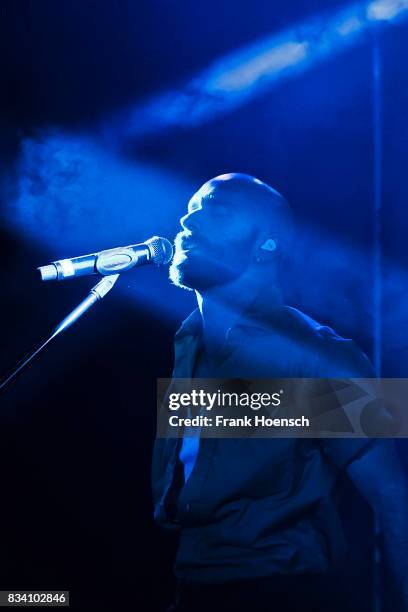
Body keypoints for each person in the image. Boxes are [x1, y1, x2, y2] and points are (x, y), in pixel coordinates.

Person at [152, 173, 408, 612]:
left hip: (280, 592)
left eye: (217, 208)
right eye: (192, 206)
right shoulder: (188, 344)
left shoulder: (323, 356)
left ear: (266, 244)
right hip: (191, 587)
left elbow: (394, 497)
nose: (188, 218)